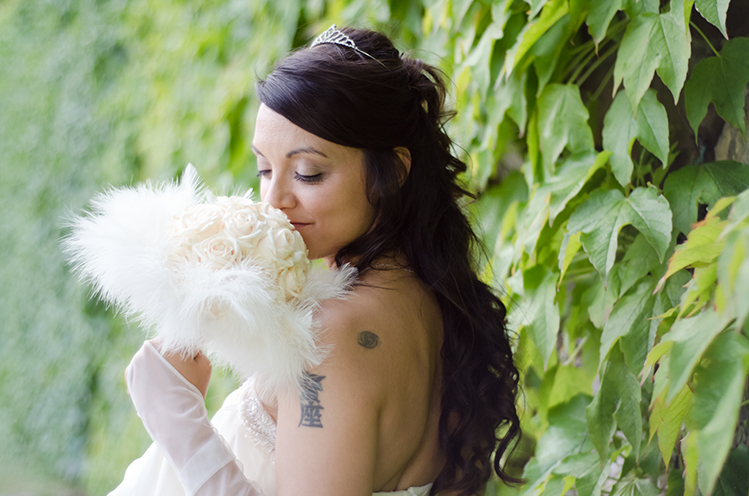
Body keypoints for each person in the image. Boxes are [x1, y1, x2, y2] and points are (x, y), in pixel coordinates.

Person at [113, 25, 520, 496]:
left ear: (392, 171)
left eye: (308, 173)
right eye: (265, 169)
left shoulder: (333, 335)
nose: (274, 200)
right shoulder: (422, 300)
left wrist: (178, 421)